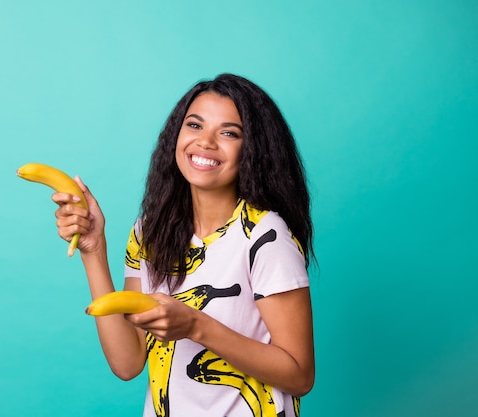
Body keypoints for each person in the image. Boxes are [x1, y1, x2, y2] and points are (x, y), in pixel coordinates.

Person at [52, 73, 315, 417]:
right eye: (194, 125)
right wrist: (93, 251)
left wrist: (196, 326)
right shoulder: (150, 232)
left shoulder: (265, 237)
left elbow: (300, 375)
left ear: (253, 150)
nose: (205, 142)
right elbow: (128, 363)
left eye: (229, 133)